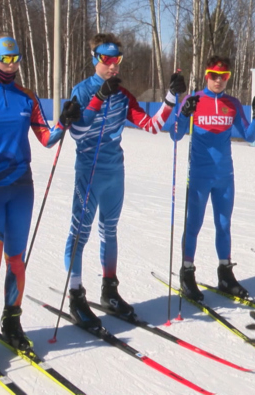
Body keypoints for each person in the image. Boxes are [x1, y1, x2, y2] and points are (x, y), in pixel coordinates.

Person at [0, 35, 81, 360]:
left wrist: (64, 122)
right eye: (6, 59)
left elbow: (46, 138)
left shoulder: (26, 97)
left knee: (17, 262)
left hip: (21, 187)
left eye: (17, 60)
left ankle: (12, 322)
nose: (11, 66)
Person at [63, 33, 186, 327]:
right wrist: (98, 98)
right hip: (89, 172)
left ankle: (110, 291)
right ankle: (76, 296)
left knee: (110, 230)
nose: (113, 65)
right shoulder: (81, 91)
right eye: (107, 59)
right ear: (95, 60)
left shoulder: (122, 94)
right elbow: (77, 133)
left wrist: (171, 97)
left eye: (117, 59)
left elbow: (154, 126)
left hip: (114, 172)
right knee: (79, 233)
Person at [171, 56, 255, 300]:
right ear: (206, 75)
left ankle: (225, 274)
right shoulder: (194, 100)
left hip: (225, 176)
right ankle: (187, 273)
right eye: (214, 75)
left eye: (223, 76)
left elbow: (248, 135)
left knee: (224, 225)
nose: (218, 80)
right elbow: (175, 135)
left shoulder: (232, 103)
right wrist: (183, 115)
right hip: (200, 175)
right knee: (194, 225)